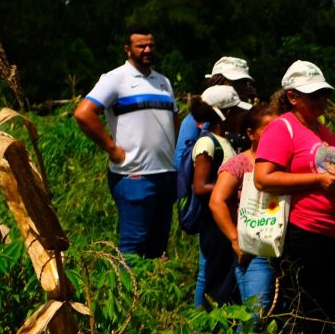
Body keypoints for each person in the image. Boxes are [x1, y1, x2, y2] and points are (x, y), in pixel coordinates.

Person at [254, 61, 335, 334]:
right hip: (307, 233)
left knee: (329, 307)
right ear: (293, 97)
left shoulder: (323, 132)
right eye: (314, 95)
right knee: (305, 307)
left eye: (324, 94)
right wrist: (317, 181)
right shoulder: (283, 128)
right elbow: (263, 177)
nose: (322, 101)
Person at [74, 27, 179, 259]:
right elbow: (84, 113)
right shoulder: (115, 79)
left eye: (151, 45)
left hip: (165, 174)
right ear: (128, 49)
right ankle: (129, 292)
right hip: (134, 175)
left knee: (159, 244)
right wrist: (111, 148)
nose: (147, 50)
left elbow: (174, 120)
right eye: (141, 46)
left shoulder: (163, 82)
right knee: (134, 245)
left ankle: (152, 291)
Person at [209, 100, 279, 318]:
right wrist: (234, 239)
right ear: (251, 134)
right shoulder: (238, 164)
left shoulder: (286, 163)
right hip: (253, 249)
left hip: (281, 247)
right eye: (268, 131)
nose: (276, 136)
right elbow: (217, 201)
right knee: (255, 315)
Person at [188, 84, 250, 308]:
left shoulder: (227, 141)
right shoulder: (207, 142)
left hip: (226, 219)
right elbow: (200, 185)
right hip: (214, 223)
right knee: (217, 276)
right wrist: (231, 189)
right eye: (236, 111)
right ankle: (210, 323)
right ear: (225, 115)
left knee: (228, 273)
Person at [175, 56, 256, 225]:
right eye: (235, 82)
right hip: (213, 208)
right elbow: (182, 163)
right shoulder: (196, 121)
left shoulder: (247, 116)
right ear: (217, 81)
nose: (241, 88)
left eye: (243, 83)